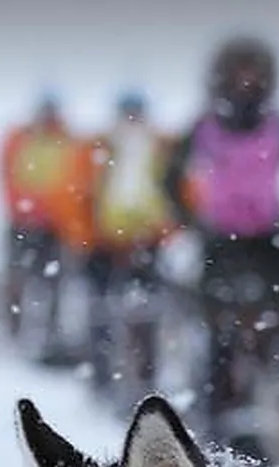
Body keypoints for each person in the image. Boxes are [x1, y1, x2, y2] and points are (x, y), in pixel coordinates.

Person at [164, 36, 279, 459]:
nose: (246, 81)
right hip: (222, 248)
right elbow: (170, 179)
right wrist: (196, 225)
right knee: (220, 337)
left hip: (271, 248)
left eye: (254, 72)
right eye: (238, 72)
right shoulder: (203, 129)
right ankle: (219, 426)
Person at [84, 89, 186, 398]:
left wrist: (167, 231)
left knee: (146, 318)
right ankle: (105, 377)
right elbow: (79, 193)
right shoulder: (99, 147)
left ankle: (142, 381)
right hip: (104, 245)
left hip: (149, 243)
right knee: (105, 313)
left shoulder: (160, 147)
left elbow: (183, 190)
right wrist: (88, 236)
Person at [0, 92, 87, 344]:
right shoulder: (26, 139)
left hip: (51, 227)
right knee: (22, 281)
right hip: (27, 224)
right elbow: (9, 179)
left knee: (51, 284)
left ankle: (46, 333)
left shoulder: (64, 141)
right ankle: (18, 331)